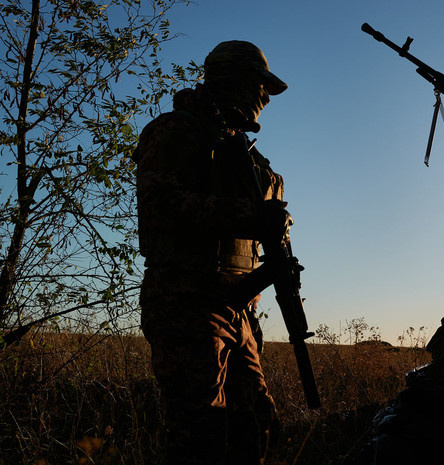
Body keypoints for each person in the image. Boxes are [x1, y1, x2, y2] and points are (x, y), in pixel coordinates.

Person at [133, 41, 289, 465]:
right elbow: (162, 206)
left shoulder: (250, 157)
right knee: (200, 436)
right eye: (261, 86)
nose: (265, 98)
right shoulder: (176, 132)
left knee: (257, 425)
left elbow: (259, 224)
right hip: (187, 303)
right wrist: (252, 215)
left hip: (237, 307)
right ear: (235, 80)